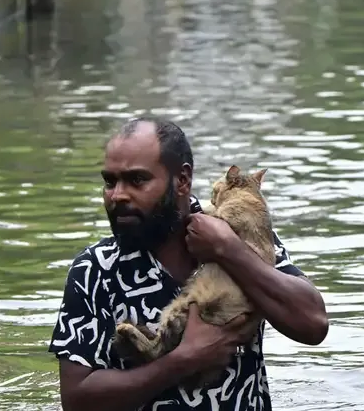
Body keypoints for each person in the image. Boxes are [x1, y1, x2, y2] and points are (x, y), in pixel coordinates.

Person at [48, 117, 329, 411]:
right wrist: (185, 359)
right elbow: (76, 400)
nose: (117, 195)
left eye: (137, 180)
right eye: (110, 181)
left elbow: (313, 325)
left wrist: (228, 251)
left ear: (182, 180)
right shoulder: (94, 269)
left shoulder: (240, 235)